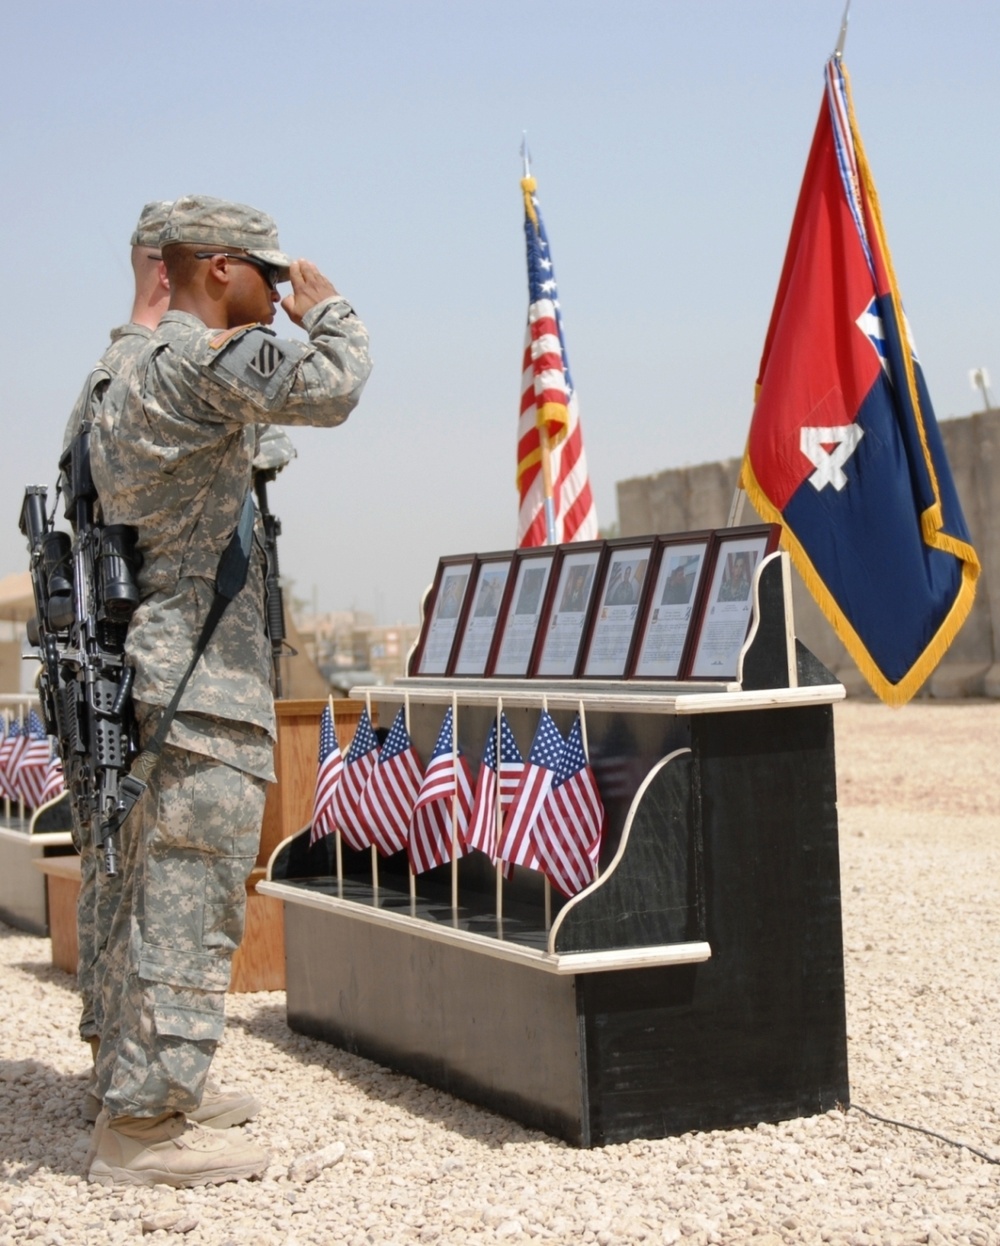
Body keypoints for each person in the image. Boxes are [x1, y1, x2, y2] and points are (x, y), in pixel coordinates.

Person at [86, 195, 372, 1187]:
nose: (279, 285)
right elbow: (335, 387)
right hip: (200, 687)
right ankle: (141, 1126)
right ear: (217, 268)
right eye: (268, 270)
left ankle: (144, 1080)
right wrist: (327, 310)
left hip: (156, 677)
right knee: (189, 899)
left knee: (143, 893)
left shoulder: (124, 369)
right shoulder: (198, 362)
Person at [62, 201, 172, 1115]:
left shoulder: (101, 380)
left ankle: (116, 1066)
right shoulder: (142, 377)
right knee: (145, 877)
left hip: (106, 665)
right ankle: (139, 1093)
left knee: (115, 861)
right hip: (140, 666)